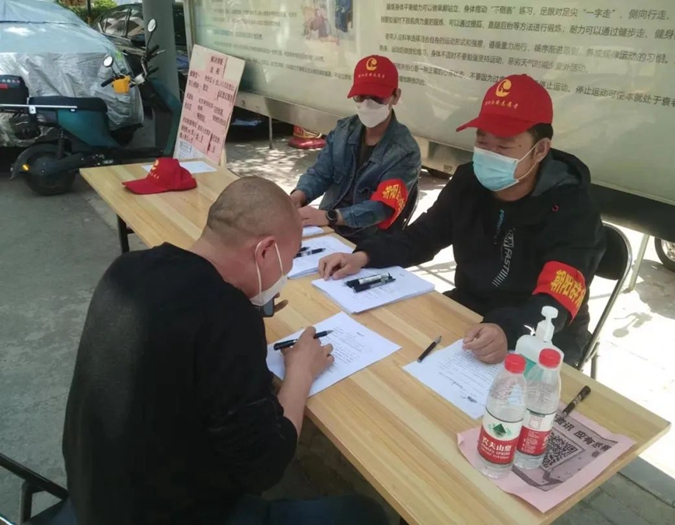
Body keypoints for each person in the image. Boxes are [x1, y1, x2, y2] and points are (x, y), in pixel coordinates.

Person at [62, 177, 388, 525]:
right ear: (265, 252)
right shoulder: (228, 317)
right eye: (290, 259)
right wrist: (300, 373)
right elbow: (266, 467)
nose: (289, 271)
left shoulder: (128, 268)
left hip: (91, 495)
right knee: (363, 513)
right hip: (164, 515)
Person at [319, 75, 605, 367]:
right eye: (482, 141)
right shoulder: (469, 181)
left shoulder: (572, 207)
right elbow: (424, 235)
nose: (489, 155)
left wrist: (509, 330)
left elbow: (558, 296)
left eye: (504, 146)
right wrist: (365, 256)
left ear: (540, 149)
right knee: (398, 354)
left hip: (542, 332)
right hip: (470, 307)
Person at [291, 55, 421, 242]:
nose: (367, 104)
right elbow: (321, 173)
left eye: (377, 97)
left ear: (396, 96)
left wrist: (329, 217)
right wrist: (299, 196)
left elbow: (381, 207)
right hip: (326, 228)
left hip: (369, 239)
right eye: (361, 96)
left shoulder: (405, 152)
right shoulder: (343, 131)